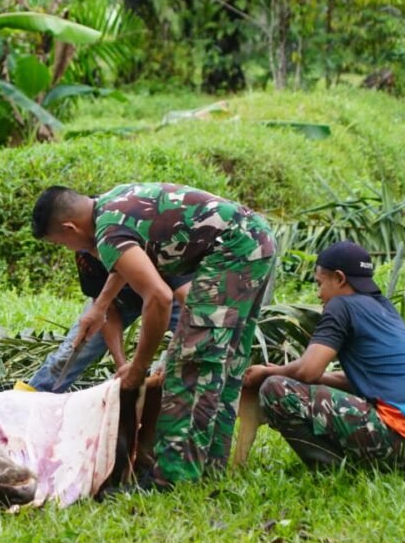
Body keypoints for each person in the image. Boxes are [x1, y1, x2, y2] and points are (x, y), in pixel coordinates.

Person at [32, 183, 276, 486]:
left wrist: (137, 369)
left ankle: (174, 478)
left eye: (61, 242)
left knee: (190, 364)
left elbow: (159, 297)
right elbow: (123, 263)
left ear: (70, 227)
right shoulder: (112, 203)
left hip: (231, 252)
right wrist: (102, 305)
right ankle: (210, 468)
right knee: (226, 362)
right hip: (254, 241)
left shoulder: (108, 233)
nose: (68, 249)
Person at [238, 241, 405, 470]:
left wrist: (268, 371)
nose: (318, 294)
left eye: (319, 283)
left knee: (275, 389)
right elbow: (360, 380)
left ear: (339, 278)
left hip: (395, 436)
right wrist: (317, 378)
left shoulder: (341, 306)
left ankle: (334, 468)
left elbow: (308, 370)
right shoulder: (383, 309)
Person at [26, 251, 187, 393]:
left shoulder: (149, 235)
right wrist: (123, 369)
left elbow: (165, 299)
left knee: (196, 346)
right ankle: (23, 404)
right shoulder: (86, 254)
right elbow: (107, 310)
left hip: (168, 294)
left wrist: (141, 367)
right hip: (119, 300)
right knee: (70, 354)